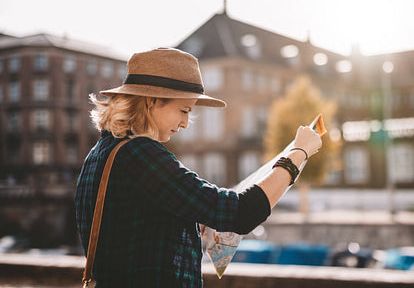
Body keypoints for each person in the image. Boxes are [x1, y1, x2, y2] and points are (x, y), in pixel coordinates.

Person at [75, 48, 322, 287]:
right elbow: (242, 213)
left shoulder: (99, 154)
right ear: (151, 101)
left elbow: (130, 230)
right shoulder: (141, 154)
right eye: (183, 110)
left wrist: (192, 223)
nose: (184, 123)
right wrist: (297, 155)